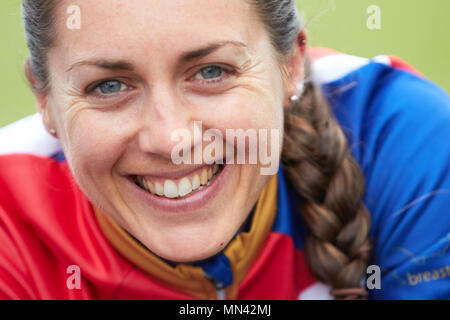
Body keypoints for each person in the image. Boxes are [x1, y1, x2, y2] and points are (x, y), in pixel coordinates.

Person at [0, 0, 449, 300]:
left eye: (211, 71)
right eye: (109, 86)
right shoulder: (9, 216)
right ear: (46, 100)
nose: (172, 139)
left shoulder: (401, 138)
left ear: (291, 64)